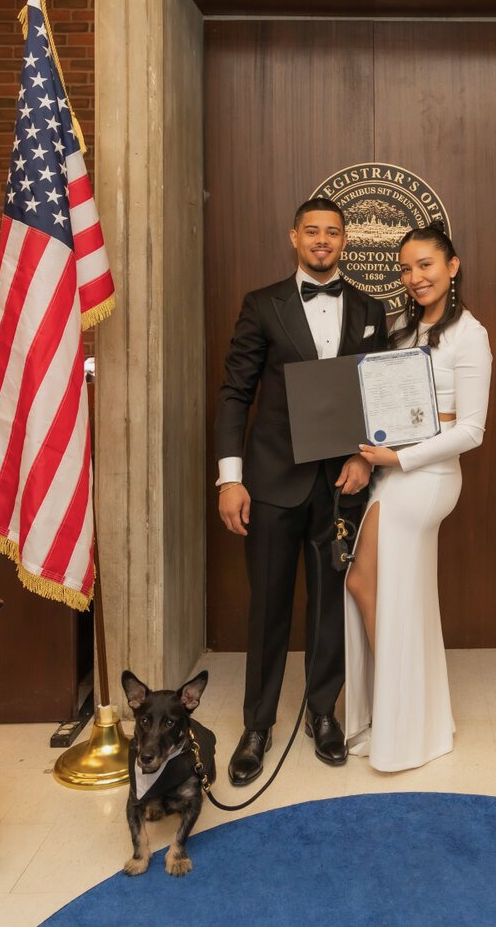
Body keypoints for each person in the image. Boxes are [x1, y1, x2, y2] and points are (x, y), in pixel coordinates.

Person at [214, 198, 390, 786]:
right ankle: (257, 726)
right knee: (267, 607)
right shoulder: (262, 305)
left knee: (328, 606)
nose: (322, 240)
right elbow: (236, 393)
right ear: (294, 237)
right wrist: (231, 477)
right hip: (269, 481)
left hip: (341, 484)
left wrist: (364, 461)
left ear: (345, 241)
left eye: (332, 233)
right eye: (312, 231)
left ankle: (323, 714)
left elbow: (379, 395)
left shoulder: (368, 308)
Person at [344, 224, 492, 772]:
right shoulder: (401, 326)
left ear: (452, 267)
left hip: (426, 477)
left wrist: (401, 459)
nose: (415, 277)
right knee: (384, 589)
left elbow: (472, 429)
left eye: (426, 265)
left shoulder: (469, 335)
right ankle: (406, 713)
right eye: (406, 269)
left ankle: (403, 720)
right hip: (392, 470)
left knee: (371, 583)